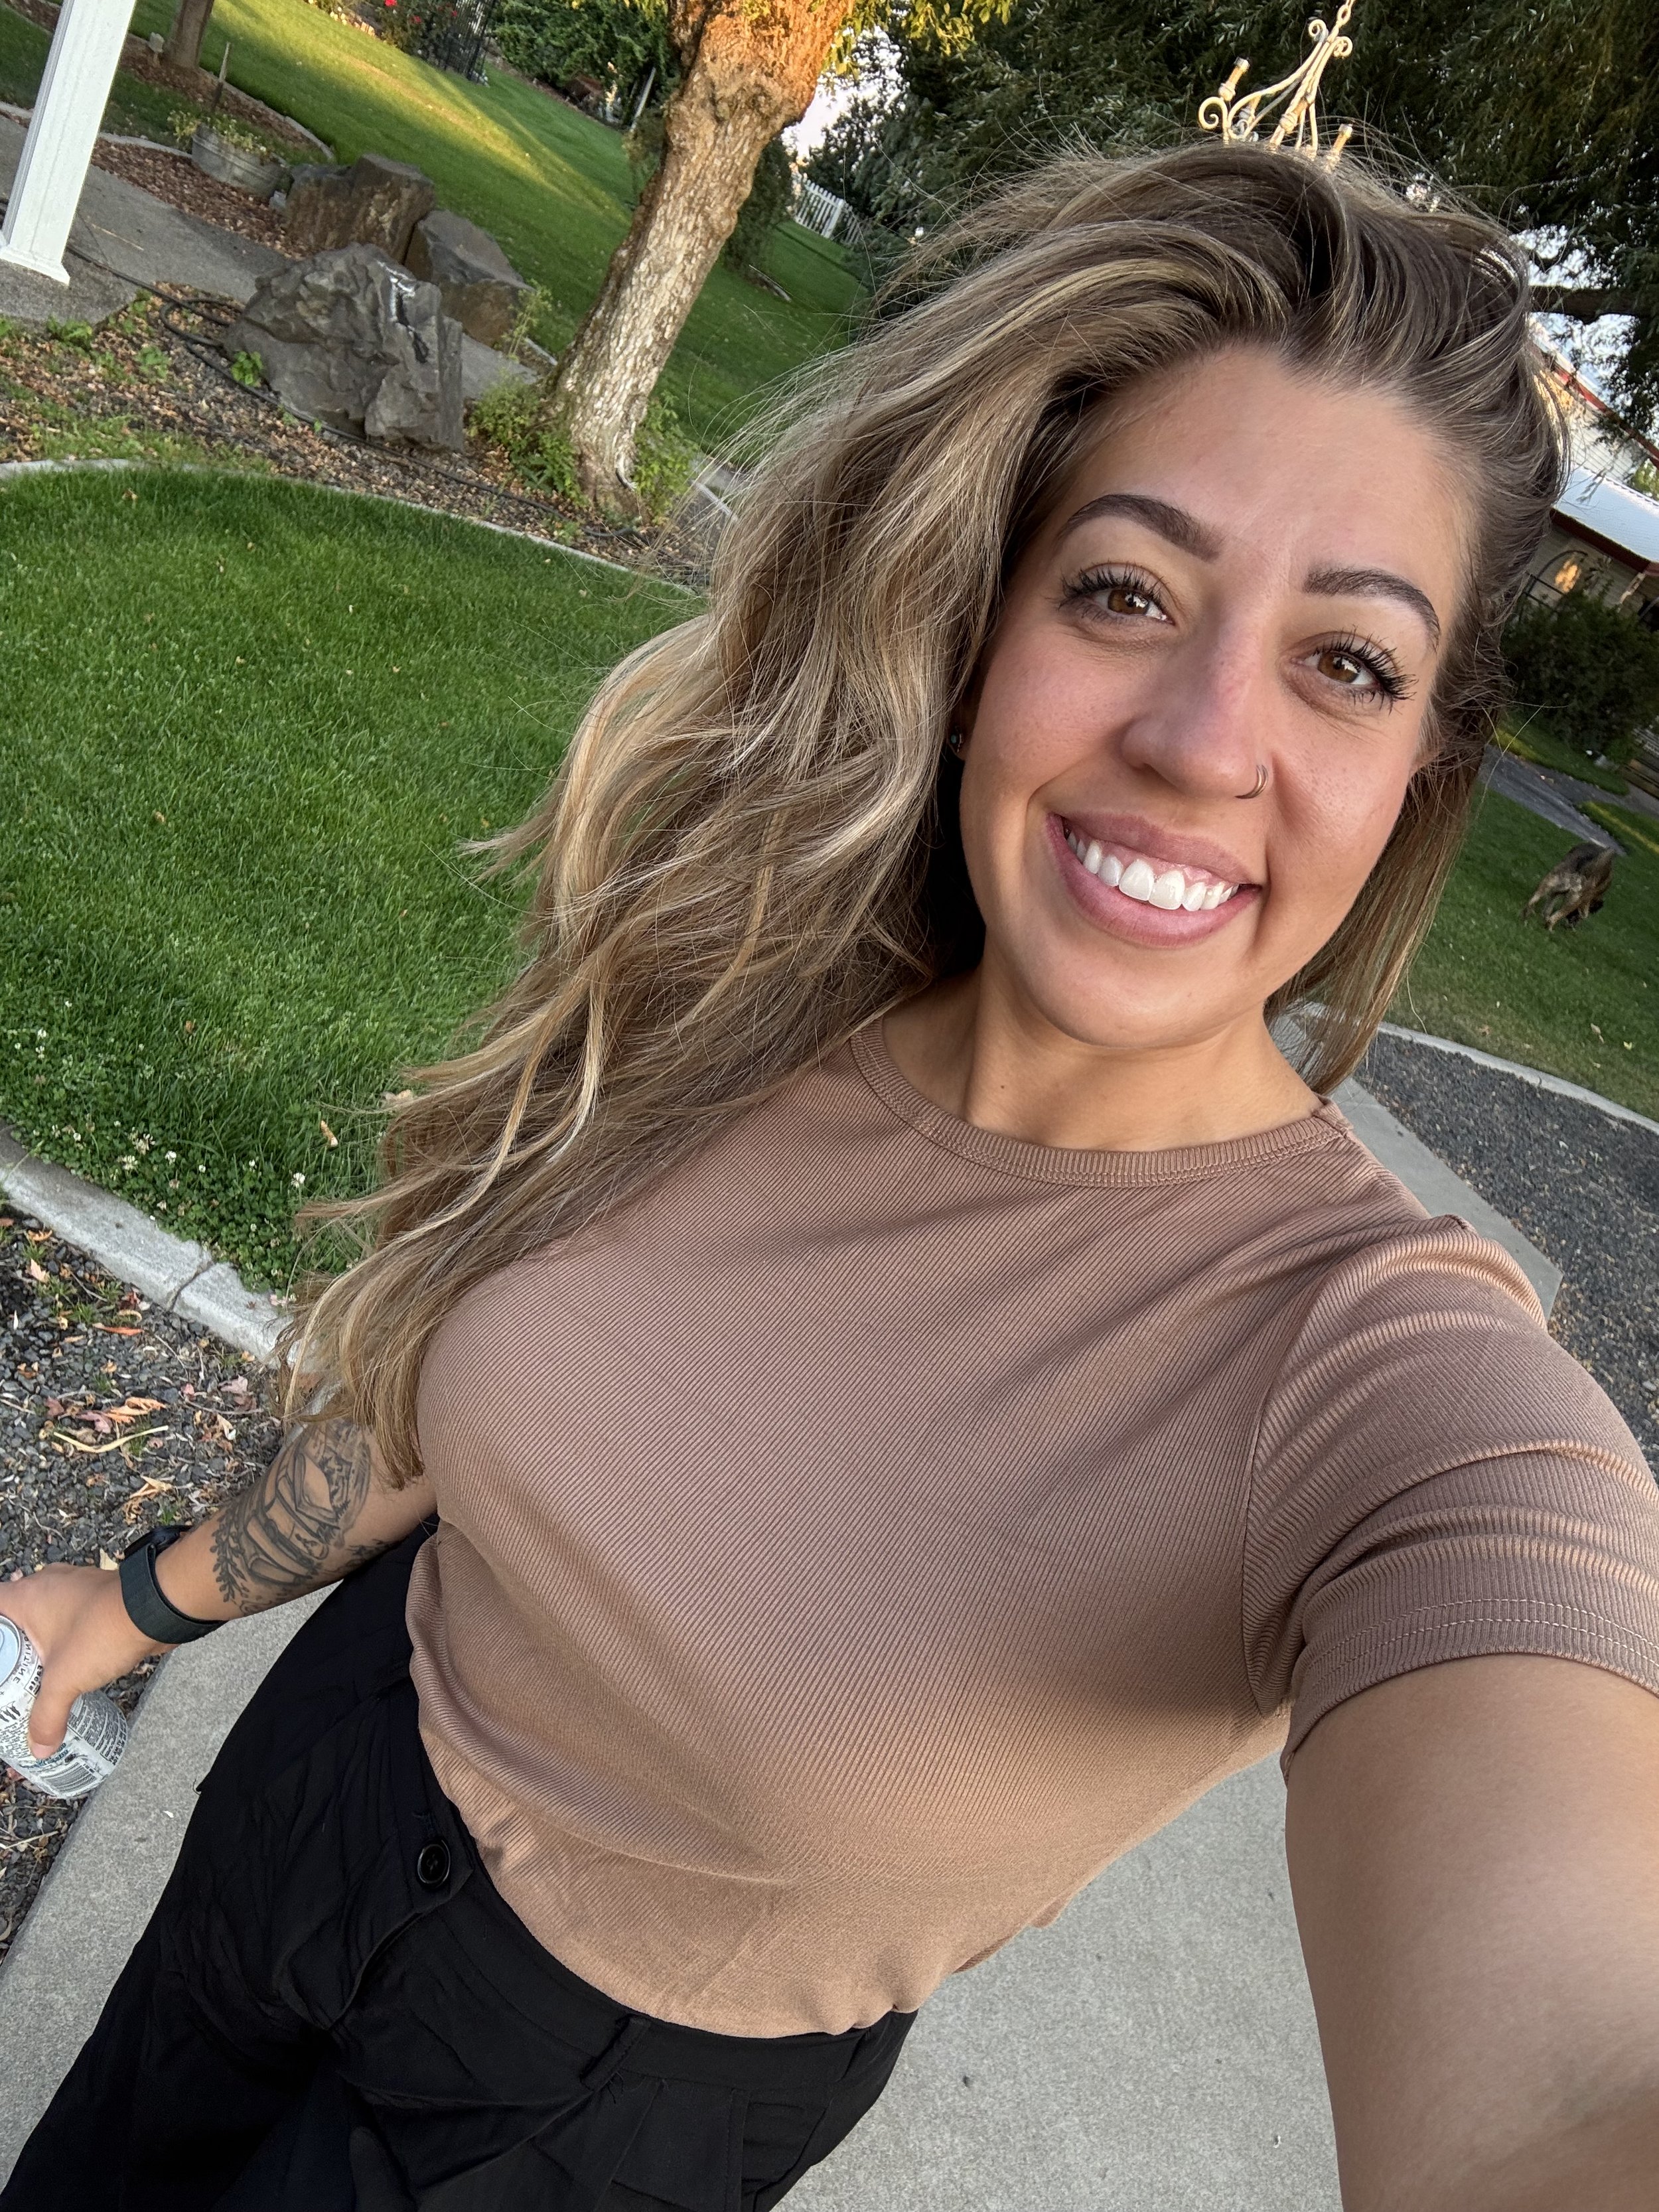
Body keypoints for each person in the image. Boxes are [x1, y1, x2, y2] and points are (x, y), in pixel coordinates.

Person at [6, 137, 1659, 2212]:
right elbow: (451, 1404)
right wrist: (137, 1604)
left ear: (1423, 757)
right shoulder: (758, 991)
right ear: (977, 630)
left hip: (613, 2109)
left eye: (1344, 659)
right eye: (1124, 591)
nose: (1201, 735)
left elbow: (1558, 2075)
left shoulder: (1389, 1388)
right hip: (331, 1775)